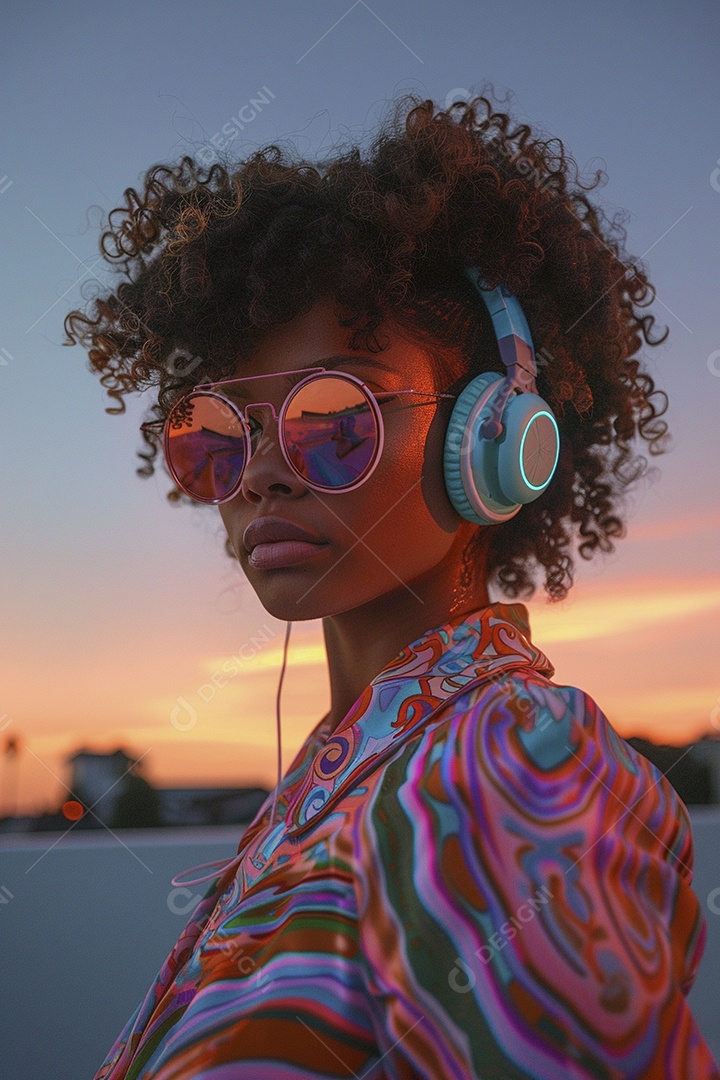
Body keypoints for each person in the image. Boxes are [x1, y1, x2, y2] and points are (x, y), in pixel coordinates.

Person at [65, 91, 719, 1079]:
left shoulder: (501, 771)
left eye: (336, 417)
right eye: (217, 430)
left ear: (494, 440)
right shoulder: (341, 786)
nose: (262, 472)